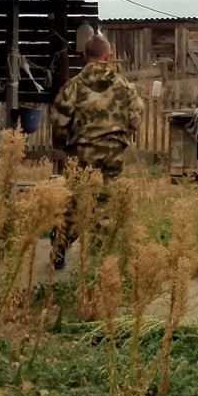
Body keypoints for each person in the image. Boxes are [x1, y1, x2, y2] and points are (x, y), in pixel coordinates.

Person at [48, 33, 144, 266]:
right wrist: (119, 136)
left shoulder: (73, 87)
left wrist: (68, 142)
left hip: (82, 154)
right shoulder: (124, 86)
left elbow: (59, 122)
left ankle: (60, 250)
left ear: (85, 56)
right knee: (106, 204)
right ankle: (99, 262)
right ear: (108, 56)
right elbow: (136, 117)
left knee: (73, 202)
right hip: (113, 154)